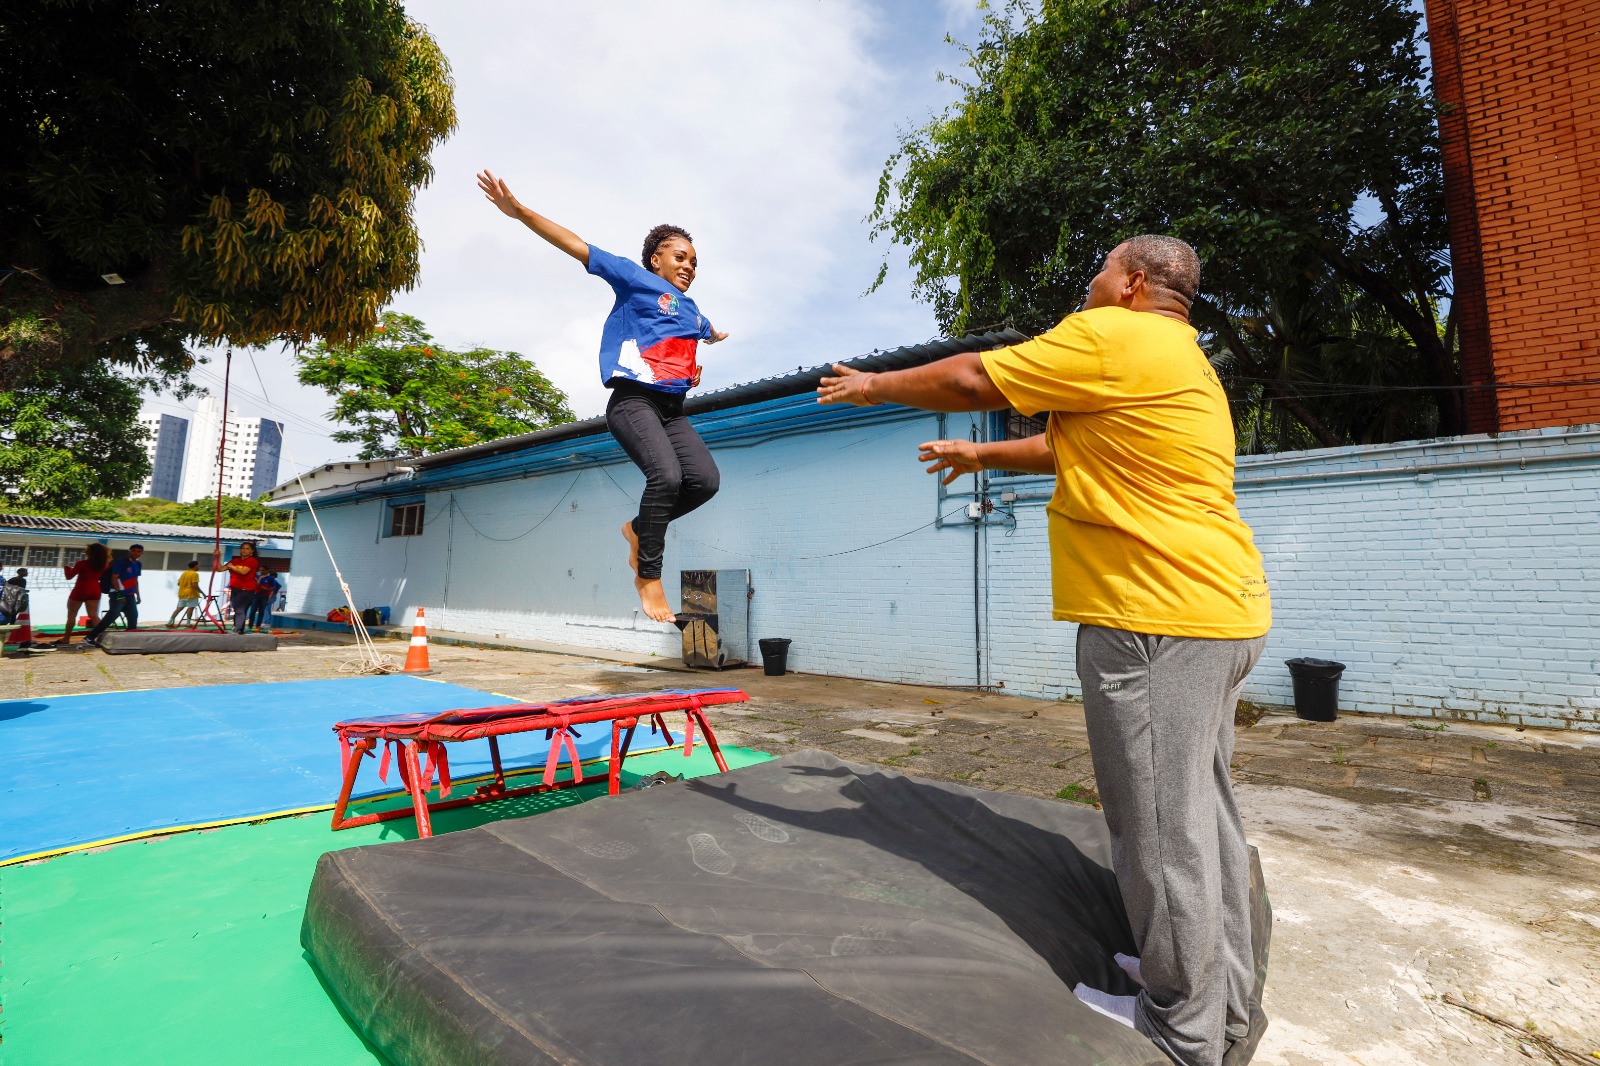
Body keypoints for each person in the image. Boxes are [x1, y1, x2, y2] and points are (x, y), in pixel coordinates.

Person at [818, 236, 1271, 1066]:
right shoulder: (1182, 357)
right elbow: (1068, 447)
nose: (1090, 282)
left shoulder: (1111, 334)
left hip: (1153, 620)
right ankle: (1222, 997)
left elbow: (970, 377)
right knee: (1203, 815)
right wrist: (981, 452)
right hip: (1222, 611)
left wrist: (871, 386)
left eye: (1100, 269)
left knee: (1160, 832)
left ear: (1132, 282)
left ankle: (1183, 1031)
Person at [477, 169, 729, 624]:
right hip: (633, 403)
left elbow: (700, 331)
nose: (689, 266)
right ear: (656, 260)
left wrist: (711, 338)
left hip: (672, 411)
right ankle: (648, 575)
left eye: (695, 261)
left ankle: (637, 530)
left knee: (705, 481)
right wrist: (519, 213)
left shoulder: (692, 309)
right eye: (680, 257)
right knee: (666, 478)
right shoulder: (634, 278)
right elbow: (576, 245)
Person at [56, 543, 110, 645]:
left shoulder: (82, 563)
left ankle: (66, 638)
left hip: (81, 589)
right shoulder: (105, 565)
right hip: (95, 589)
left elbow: (69, 576)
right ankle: (102, 638)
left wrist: (66, 568)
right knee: (94, 615)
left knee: (72, 615)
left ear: (89, 552)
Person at [217, 541, 259, 634]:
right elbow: (220, 569)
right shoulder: (235, 560)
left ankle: (238, 628)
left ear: (252, 551)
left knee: (240, 609)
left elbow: (244, 572)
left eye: (247, 548)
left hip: (246, 589)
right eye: (243, 548)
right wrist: (217, 557)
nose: (244, 550)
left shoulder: (252, 561)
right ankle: (240, 629)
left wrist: (232, 567)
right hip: (235, 588)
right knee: (237, 610)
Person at [168, 559, 202, 628]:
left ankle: (170, 622)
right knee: (190, 608)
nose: (199, 567)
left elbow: (179, 583)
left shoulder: (184, 573)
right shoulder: (194, 574)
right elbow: (194, 585)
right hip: (191, 594)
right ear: (195, 566)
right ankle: (188, 623)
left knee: (179, 609)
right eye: (198, 565)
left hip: (182, 594)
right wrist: (202, 593)